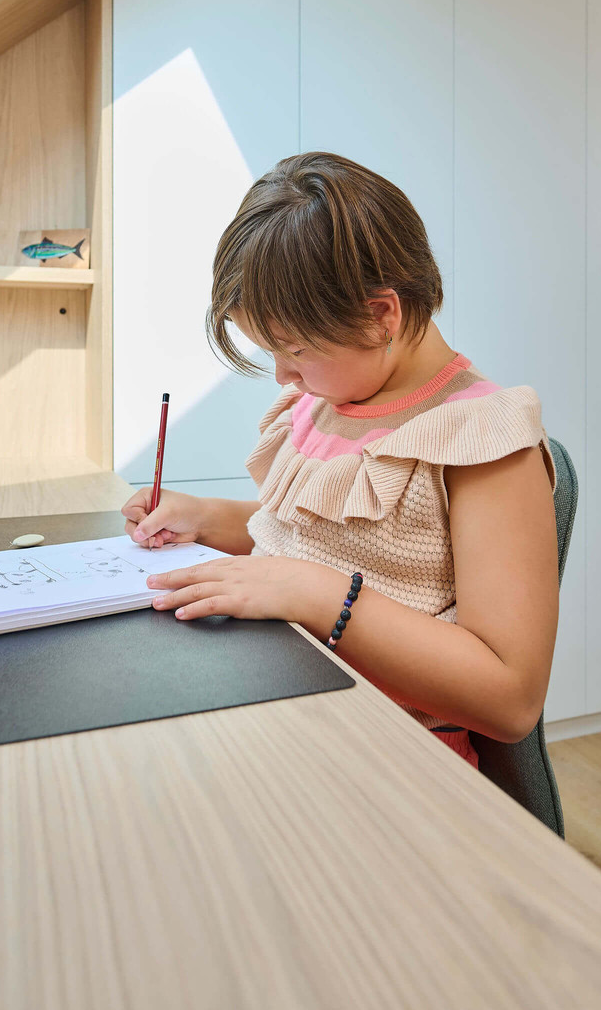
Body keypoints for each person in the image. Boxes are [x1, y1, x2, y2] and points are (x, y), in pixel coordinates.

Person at [122, 152, 559, 765]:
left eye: (296, 349)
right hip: (283, 707)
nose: (282, 374)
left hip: (388, 749)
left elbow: (510, 700)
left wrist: (319, 595)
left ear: (380, 316)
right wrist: (204, 516)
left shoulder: (483, 438)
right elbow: (316, 542)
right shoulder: (329, 396)